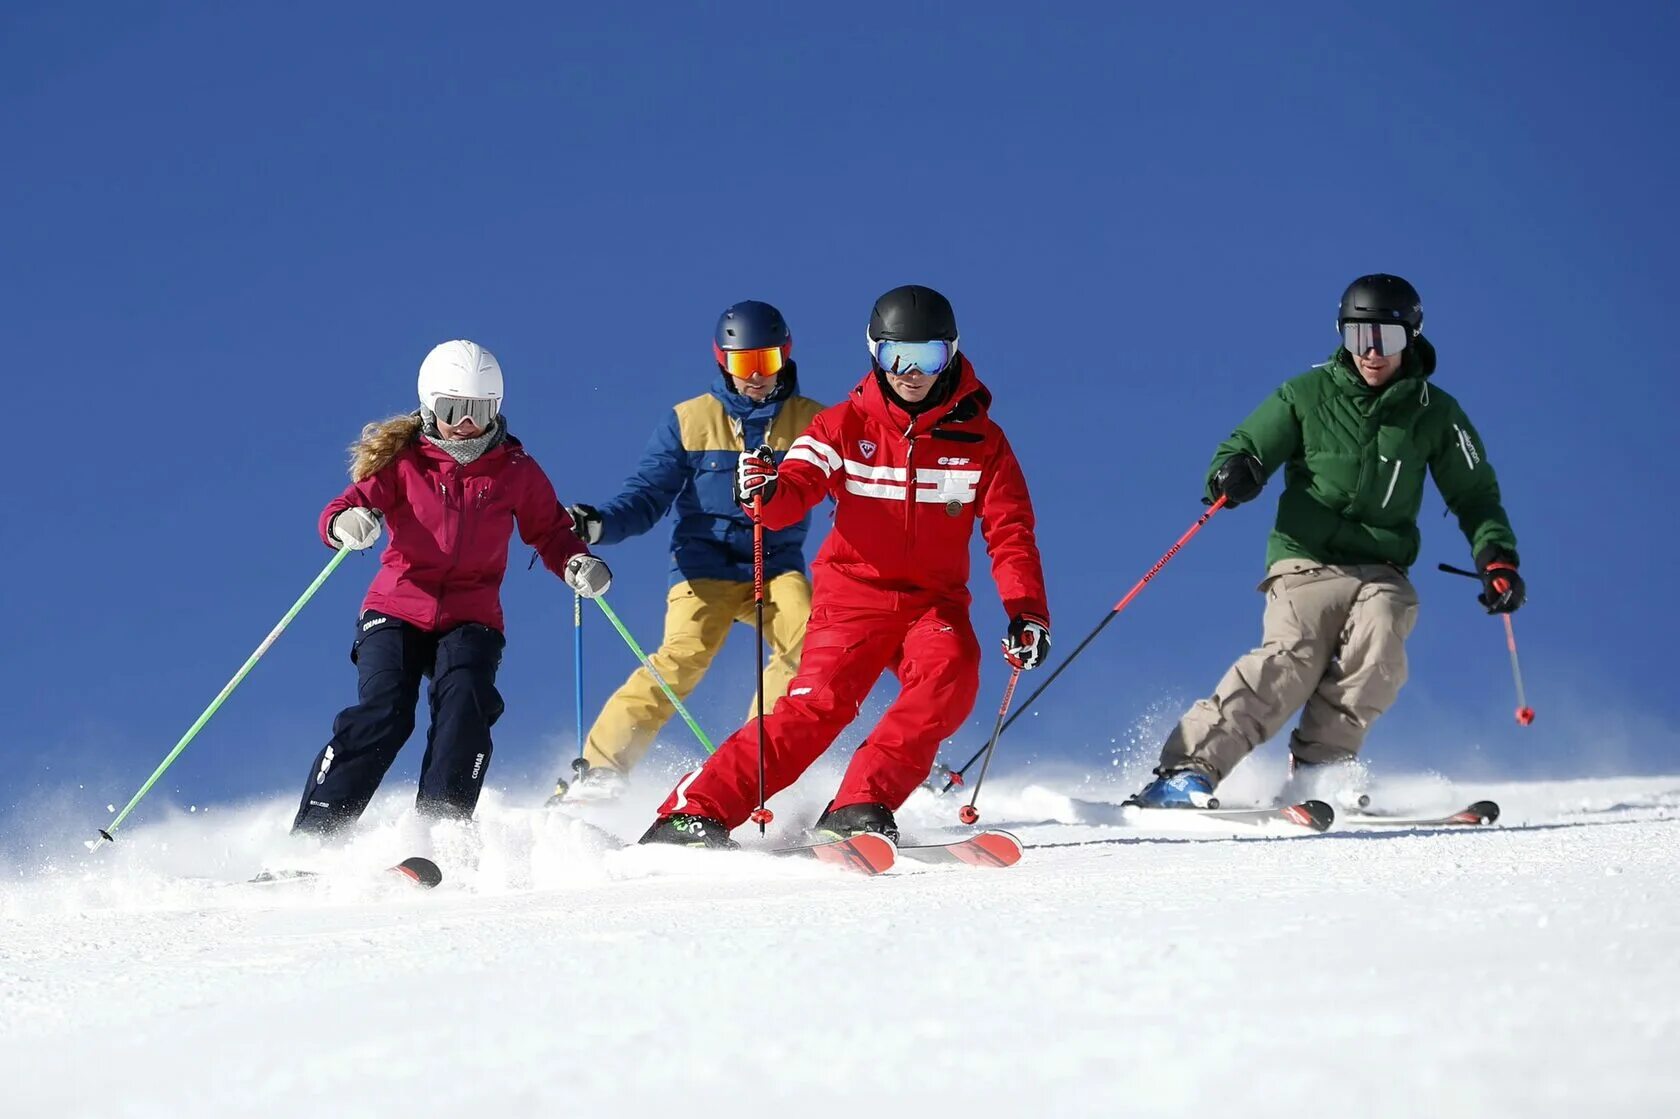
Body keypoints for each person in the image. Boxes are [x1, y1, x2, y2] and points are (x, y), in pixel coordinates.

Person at [638, 284, 1051, 848]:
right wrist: (762, 491)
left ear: (951, 354)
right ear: (873, 354)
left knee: (951, 673)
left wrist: (1028, 612)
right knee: (817, 710)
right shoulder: (841, 426)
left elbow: (1010, 533)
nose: (910, 373)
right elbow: (794, 490)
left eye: (927, 357)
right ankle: (694, 811)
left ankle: (861, 803)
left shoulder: (983, 442)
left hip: (933, 603)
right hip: (853, 599)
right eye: (894, 357)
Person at [1129, 275, 1524, 809]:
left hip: (1382, 566)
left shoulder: (1437, 413)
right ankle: (1185, 771)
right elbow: (1247, 444)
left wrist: (1495, 557)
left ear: (1413, 338)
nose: (1371, 353)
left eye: (1386, 339)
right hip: (1306, 561)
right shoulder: (1306, 393)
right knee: (1291, 660)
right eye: (1358, 336)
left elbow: (1475, 494)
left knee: (1382, 638)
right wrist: (1234, 472)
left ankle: (1319, 768)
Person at [291, 340, 612, 835]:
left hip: (472, 617)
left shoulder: (515, 469)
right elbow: (343, 507)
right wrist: (345, 524)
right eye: (452, 409)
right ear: (428, 407)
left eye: (479, 410)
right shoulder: (404, 461)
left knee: (466, 706)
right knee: (385, 713)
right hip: (396, 606)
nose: (465, 422)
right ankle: (317, 833)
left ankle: (440, 831)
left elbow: (549, 531)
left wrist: (576, 563)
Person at [555, 301, 825, 802]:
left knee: (812, 643)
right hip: (705, 568)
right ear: (722, 361)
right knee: (682, 657)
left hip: (777, 567)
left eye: (767, 362)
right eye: (744, 364)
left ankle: (758, 762)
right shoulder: (689, 420)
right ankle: (599, 771)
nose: (757, 378)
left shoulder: (813, 422)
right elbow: (647, 495)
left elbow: (855, 483)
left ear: (785, 357)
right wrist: (599, 524)